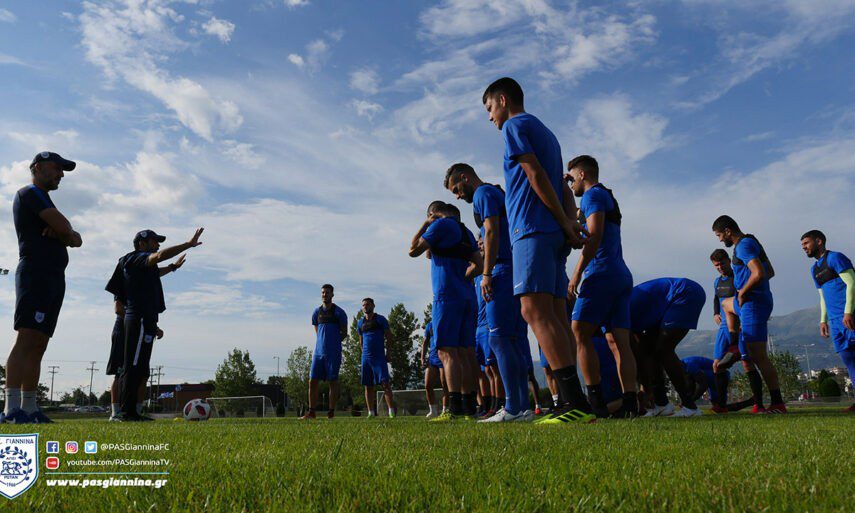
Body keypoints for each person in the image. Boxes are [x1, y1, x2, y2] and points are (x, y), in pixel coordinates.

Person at [482, 78, 593, 425]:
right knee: (556, 316)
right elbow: (562, 186)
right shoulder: (546, 132)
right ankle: (575, 402)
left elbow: (535, 175)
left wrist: (563, 221)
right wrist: (569, 222)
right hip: (551, 233)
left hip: (531, 230)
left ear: (503, 100)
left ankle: (573, 403)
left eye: (489, 108)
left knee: (532, 310)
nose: (490, 117)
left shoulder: (514, 126)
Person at [445, 163, 531, 422]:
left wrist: (486, 272)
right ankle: (522, 407)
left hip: (502, 269)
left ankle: (513, 407)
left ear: (464, 177)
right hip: (515, 267)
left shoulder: (482, 194)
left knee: (499, 339)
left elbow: (492, 230)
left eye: (456, 189)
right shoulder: (496, 193)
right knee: (512, 340)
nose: (457, 196)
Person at [3, 152, 82, 424]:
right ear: (37, 168)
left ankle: (30, 408)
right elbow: (67, 229)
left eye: (62, 170)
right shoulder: (30, 193)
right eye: (56, 168)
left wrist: (64, 234)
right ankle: (11, 409)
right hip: (35, 273)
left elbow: (77, 239)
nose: (60, 174)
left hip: (53, 277)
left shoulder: (46, 200)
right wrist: (64, 232)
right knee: (26, 337)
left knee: (40, 343)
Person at [566, 155, 638, 418]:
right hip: (620, 274)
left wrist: (576, 274)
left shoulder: (592, 195)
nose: (571, 183)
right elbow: (579, 218)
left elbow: (594, 236)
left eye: (571, 178)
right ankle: (630, 404)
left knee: (579, 331)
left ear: (582, 174)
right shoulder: (605, 196)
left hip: (601, 273)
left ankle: (595, 403)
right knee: (617, 341)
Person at [110, 228, 201, 421]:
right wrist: (188, 244)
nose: (157, 245)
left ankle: (134, 412)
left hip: (147, 319)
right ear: (141, 243)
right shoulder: (135, 258)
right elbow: (159, 257)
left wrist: (173, 267)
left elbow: (156, 272)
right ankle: (125, 412)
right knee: (133, 365)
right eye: (154, 241)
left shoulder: (142, 266)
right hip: (139, 318)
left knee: (141, 367)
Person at [409, 202, 482, 421]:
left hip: (446, 296)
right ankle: (470, 409)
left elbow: (413, 250)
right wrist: (462, 279)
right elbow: (479, 264)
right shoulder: (466, 232)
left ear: (433, 214)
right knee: (466, 352)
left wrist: (426, 224)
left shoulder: (439, 225)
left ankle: (454, 409)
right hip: (468, 297)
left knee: (447, 352)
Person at [713, 216, 786, 413]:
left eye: (719, 235)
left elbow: (759, 273)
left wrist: (744, 291)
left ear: (728, 231)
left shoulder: (744, 246)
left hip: (752, 303)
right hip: (748, 302)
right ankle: (734, 346)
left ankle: (778, 403)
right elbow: (770, 271)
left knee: (758, 356)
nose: (720, 239)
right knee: (726, 304)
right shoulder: (750, 242)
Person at [630, 278, 706, 417]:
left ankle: (690, 407)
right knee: (653, 350)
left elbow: (638, 355)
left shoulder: (618, 319)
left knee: (664, 350)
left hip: (684, 293)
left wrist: (646, 388)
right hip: (666, 303)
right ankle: (662, 404)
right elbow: (643, 352)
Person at [801, 230, 855, 412]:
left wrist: (848, 312)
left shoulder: (835, 258)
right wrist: (823, 320)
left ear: (819, 241)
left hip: (849, 316)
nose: (804, 247)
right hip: (834, 321)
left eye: (806, 243)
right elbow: (822, 296)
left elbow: (852, 283)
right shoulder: (814, 269)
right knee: (849, 359)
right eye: (802, 245)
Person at [709, 249, 765, 414]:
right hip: (724, 328)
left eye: (722, 263)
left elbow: (743, 298)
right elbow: (716, 297)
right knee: (717, 365)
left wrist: (742, 320)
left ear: (728, 261)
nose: (720, 267)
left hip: (739, 327)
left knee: (747, 362)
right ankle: (721, 405)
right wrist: (715, 313)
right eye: (716, 265)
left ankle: (759, 404)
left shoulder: (738, 277)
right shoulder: (717, 282)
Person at [302, 284, 348, 420]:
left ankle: (331, 413)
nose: (324, 295)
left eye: (327, 292)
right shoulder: (316, 312)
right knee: (312, 381)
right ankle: (311, 413)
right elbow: (317, 330)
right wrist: (322, 343)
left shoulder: (339, 312)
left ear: (332, 294)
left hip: (333, 353)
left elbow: (344, 333)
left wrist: (333, 343)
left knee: (333, 381)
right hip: (318, 353)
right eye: (323, 292)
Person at [357, 298, 397, 418]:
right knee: (368, 385)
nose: (365, 306)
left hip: (379, 357)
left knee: (385, 384)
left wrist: (388, 353)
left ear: (373, 306)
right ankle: (371, 413)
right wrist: (364, 354)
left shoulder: (380, 319)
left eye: (368, 304)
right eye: (363, 305)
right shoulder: (360, 322)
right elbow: (361, 341)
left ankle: (391, 412)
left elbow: (389, 337)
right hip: (366, 358)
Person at [421, 320, 449, 418]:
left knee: (445, 385)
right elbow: (425, 342)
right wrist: (422, 358)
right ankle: (433, 411)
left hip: (444, 358)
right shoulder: (430, 325)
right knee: (427, 385)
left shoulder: (446, 322)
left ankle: (445, 410)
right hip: (432, 359)